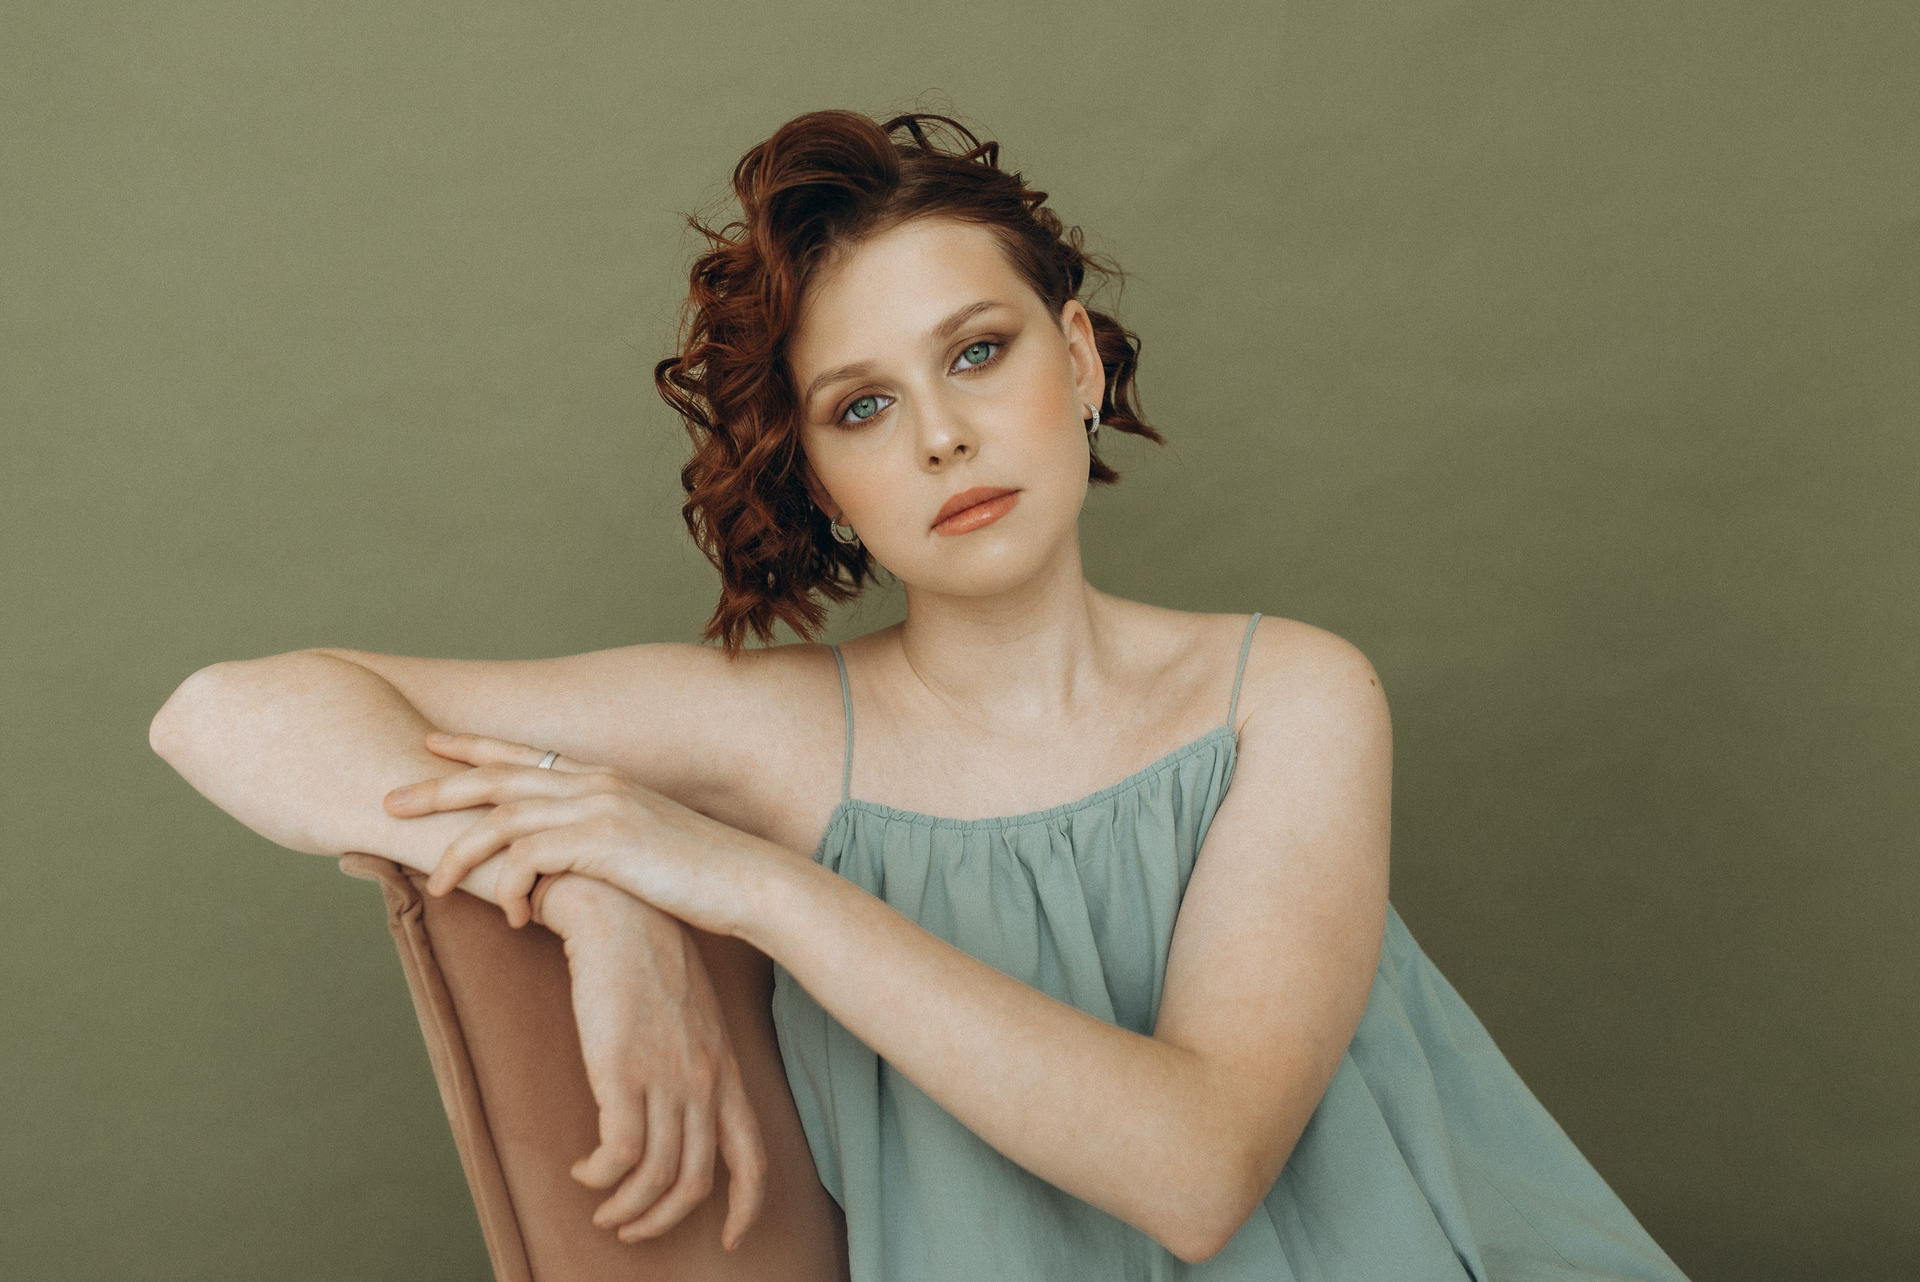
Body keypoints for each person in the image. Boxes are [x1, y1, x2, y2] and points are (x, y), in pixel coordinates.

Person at [150, 108, 1690, 1280]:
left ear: (1076, 361)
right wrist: (588, 892)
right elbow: (224, 708)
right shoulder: (777, 732)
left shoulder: (1287, 693)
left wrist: (739, 878)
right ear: (819, 476)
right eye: (864, 405)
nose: (941, 437)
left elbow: (1200, 1168)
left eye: (979, 352)